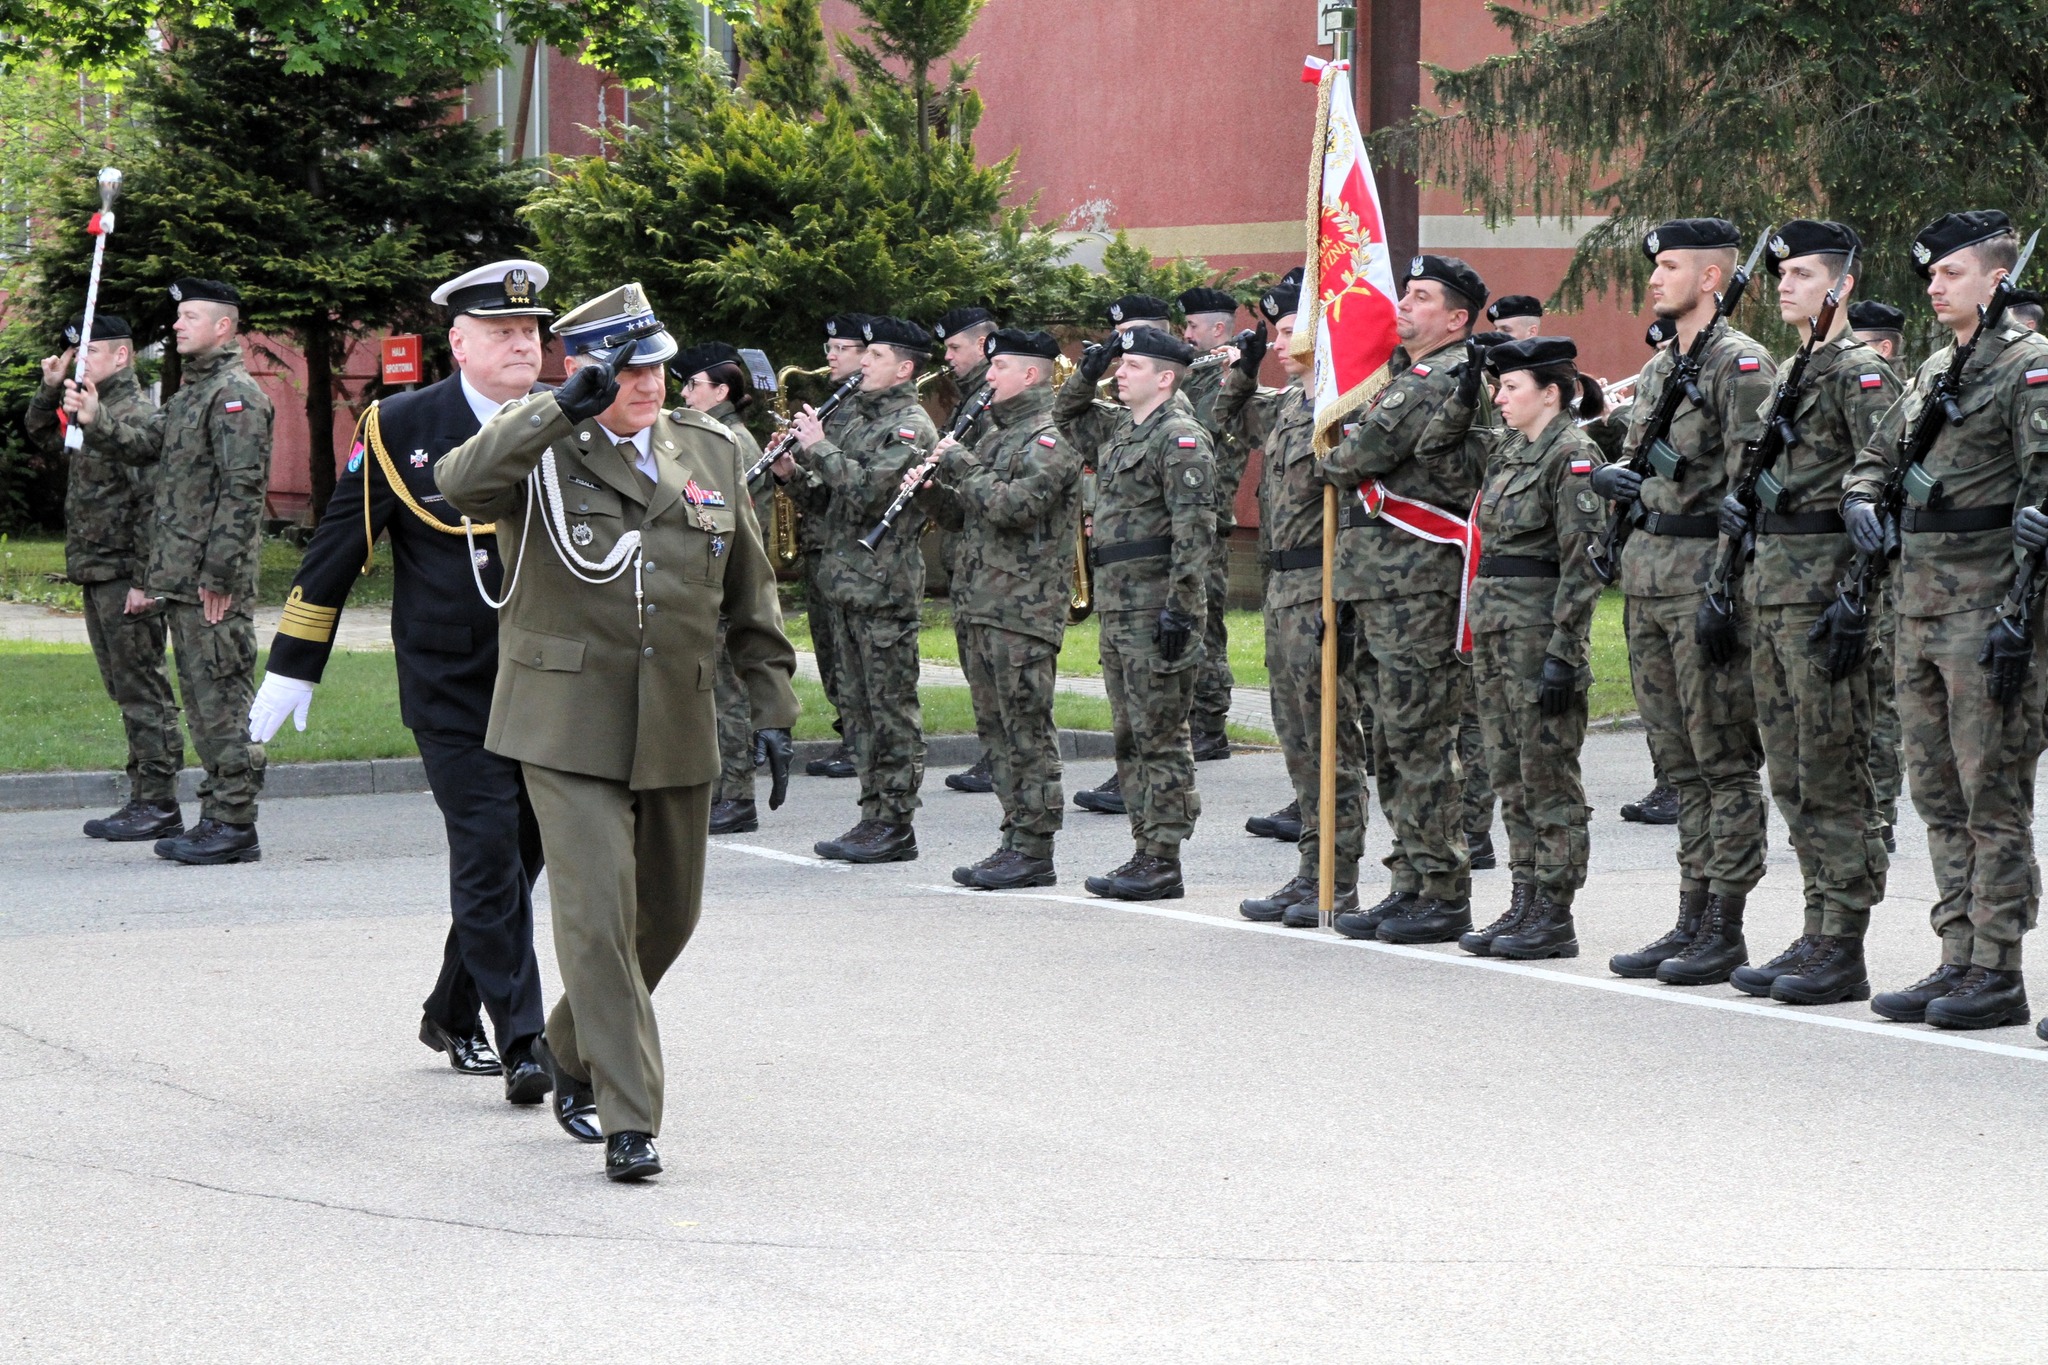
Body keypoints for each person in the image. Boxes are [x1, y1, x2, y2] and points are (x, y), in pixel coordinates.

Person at [436, 282, 798, 1181]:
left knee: (667, 919)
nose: (649, 383)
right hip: (565, 718)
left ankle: (569, 1045)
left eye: (657, 367)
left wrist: (773, 701)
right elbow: (458, 484)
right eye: (629, 370)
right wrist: (558, 408)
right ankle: (629, 1119)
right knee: (596, 920)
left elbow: (748, 587)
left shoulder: (709, 447)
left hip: (676, 713)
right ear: (590, 370)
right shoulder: (538, 441)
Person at [245, 260, 556, 1098]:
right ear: (459, 343)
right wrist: (294, 663)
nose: (521, 344)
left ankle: (450, 1008)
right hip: (451, 678)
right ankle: (524, 1040)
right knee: (487, 846)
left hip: (547, 680)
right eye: (501, 332)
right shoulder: (401, 424)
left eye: (530, 331)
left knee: (523, 853)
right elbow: (338, 545)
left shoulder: (564, 420)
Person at [1845, 210, 2048, 1030]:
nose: (1934, 285)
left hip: (1986, 613)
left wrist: (2019, 616)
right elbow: (1876, 457)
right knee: (1936, 794)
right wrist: (1862, 499)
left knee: (1989, 795)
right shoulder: (1936, 366)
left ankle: (1997, 967)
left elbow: (2042, 494)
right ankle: (1957, 953)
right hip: (1919, 609)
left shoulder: (2030, 367)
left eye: (1951, 272)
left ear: (1997, 279)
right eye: (1930, 274)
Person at [1718, 221, 1899, 1005]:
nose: (1784, 285)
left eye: (1801, 274)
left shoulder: (1862, 373)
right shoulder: (1793, 369)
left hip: (1825, 599)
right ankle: (1817, 921)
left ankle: (1843, 940)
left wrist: (1858, 600)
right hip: (1773, 594)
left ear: (1841, 286)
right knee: (1791, 773)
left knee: (1834, 770)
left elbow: (1883, 494)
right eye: (1782, 274)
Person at [1592, 220, 1775, 983]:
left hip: (1703, 578)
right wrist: (1619, 483)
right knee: (1678, 765)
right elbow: (1651, 467)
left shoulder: (1740, 364)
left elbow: (1749, 489)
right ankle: (1690, 915)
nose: (1654, 278)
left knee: (1722, 759)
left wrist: (1725, 589)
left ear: (1710, 278)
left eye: (1669, 266)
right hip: (1649, 580)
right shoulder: (1663, 366)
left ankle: (1724, 926)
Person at [67, 277, 272, 865]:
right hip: (182, 580)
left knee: (223, 702)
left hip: (211, 584)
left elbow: (242, 492)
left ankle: (234, 823)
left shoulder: (235, 395)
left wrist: (220, 575)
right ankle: (217, 817)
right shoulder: (190, 394)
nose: (177, 325)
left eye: (190, 317)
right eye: (179, 317)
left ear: (223, 327)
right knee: (203, 704)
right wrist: (95, 417)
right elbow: (141, 445)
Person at [1321, 255, 1491, 945]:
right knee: (1392, 743)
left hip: (1417, 586)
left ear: (1456, 319)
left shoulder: (1440, 378)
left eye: (1421, 297)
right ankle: (1411, 881)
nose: (1404, 304)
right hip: (1381, 585)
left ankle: (1443, 890)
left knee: (1420, 741)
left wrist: (1329, 445)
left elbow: (1350, 460)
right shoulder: (1399, 376)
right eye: (1406, 292)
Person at [1428, 336, 1608, 956]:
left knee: (1548, 775)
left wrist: (1565, 651)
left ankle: (1554, 913)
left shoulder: (1572, 454)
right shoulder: (1509, 449)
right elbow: (1435, 449)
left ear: (1550, 393)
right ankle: (1524, 898)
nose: (1499, 398)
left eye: (1510, 387)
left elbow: (1584, 563)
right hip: (1498, 634)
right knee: (1509, 773)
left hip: (1539, 638)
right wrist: (1466, 389)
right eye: (1497, 387)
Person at [1215, 277, 1367, 925]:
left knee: (1331, 740)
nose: (1278, 343)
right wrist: (1243, 371)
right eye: (1274, 333)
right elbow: (1226, 421)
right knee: (1298, 739)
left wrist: (1347, 596)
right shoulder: (1287, 408)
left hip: (1321, 586)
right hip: (1282, 590)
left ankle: (1336, 876)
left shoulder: (1342, 411)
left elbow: (1360, 507)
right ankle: (1310, 869)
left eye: (1287, 332)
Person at [1055, 326, 1215, 899]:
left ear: (1166, 378)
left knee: (1160, 735)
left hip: (1156, 607)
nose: (1119, 373)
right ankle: (1143, 848)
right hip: (1120, 607)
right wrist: (1085, 372)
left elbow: (1195, 531)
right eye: (1118, 365)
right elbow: (1066, 416)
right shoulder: (1124, 429)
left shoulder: (1180, 438)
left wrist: (1182, 608)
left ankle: (1164, 857)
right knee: (1128, 735)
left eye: (1132, 366)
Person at [922, 328, 1084, 888]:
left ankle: (1035, 848)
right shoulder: (995, 435)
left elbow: (1015, 506)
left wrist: (962, 465)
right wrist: (929, 490)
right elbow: (967, 515)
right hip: (981, 604)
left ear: (1030, 374)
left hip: (1022, 609)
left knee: (1026, 731)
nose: (988, 377)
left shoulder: (1051, 437)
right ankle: (1014, 835)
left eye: (1000, 368)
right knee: (994, 731)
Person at [780, 315, 940, 864]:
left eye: (875, 357)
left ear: (904, 369)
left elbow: (872, 494)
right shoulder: (859, 420)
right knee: (858, 709)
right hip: (845, 586)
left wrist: (819, 447)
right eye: (863, 354)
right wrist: (791, 473)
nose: (862, 363)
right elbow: (831, 503)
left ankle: (896, 821)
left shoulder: (910, 426)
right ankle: (872, 814)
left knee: (890, 709)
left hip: (884, 590)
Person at [25, 312, 181, 844]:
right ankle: (144, 795)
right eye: (76, 354)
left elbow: (153, 506)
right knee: (123, 686)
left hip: (124, 572)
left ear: (121, 356)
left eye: (90, 352)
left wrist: (144, 579)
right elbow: (42, 435)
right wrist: (50, 388)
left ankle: (157, 801)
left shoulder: (134, 416)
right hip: (97, 568)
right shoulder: (89, 408)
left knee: (143, 689)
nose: (80, 362)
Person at [674, 342, 776, 836]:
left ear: (721, 391)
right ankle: (718, 791)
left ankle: (737, 795)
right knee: (712, 691)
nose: (684, 393)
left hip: (726, 582)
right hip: (708, 580)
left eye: (693, 384)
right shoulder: (712, 435)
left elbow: (734, 524)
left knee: (728, 693)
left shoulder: (731, 440)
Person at [789, 313, 869, 780]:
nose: (831, 357)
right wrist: (790, 472)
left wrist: (816, 447)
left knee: (849, 652)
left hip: (852, 548)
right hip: (824, 541)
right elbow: (823, 488)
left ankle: (861, 741)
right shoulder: (837, 406)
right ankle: (849, 733)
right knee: (828, 646)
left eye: (842, 349)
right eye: (830, 348)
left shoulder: (866, 411)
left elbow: (858, 486)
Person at [1179, 284, 1252, 762]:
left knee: (1206, 624)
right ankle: (1189, 716)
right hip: (1181, 519)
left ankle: (1210, 722)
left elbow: (1210, 435)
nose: (1185, 335)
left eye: (1191, 326)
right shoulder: (1192, 376)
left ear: (1218, 329)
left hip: (1209, 519)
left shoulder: (1228, 380)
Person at [931, 305, 1001, 796]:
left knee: (988, 663)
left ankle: (1000, 757)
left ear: (981, 344)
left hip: (984, 554)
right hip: (965, 549)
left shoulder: (990, 399)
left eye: (955, 347)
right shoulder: (971, 397)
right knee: (974, 661)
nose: (948, 357)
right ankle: (993, 754)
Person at [1846, 298, 1908, 847]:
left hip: (1882, 565)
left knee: (1880, 694)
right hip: (1847, 553)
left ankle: (1881, 807)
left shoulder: (1881, 387)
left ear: (1883, 346)